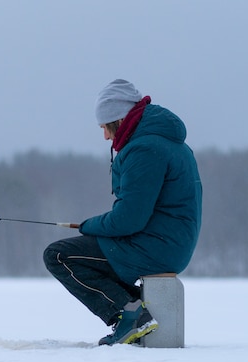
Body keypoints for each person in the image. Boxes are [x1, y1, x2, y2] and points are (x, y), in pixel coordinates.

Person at [43, 79, 202, 345]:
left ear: (117, 120)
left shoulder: (145, 149)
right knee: (89, 254)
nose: (105, 136)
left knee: (58, 255)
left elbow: (129, 219)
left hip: (156, 246)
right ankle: (137, 311)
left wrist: (87, 225)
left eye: (105, 127)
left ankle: (130, 315)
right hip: (167, 242)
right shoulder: (167, 143)